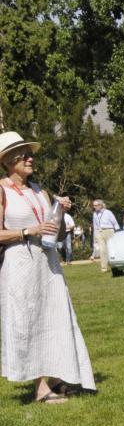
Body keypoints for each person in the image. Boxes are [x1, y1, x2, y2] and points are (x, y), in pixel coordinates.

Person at [0, 131, 95, 403]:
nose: (30, 158)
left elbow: (58, 232)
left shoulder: (40, 189)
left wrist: (59, 212)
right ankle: (40, 386)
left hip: (47, 263)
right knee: (27, 321)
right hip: (19, 265)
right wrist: (29, 230)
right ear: (8, 161)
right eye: (23, 155)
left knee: (54, 317)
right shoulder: (2, 191)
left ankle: (55, 377)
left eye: (30, 154)